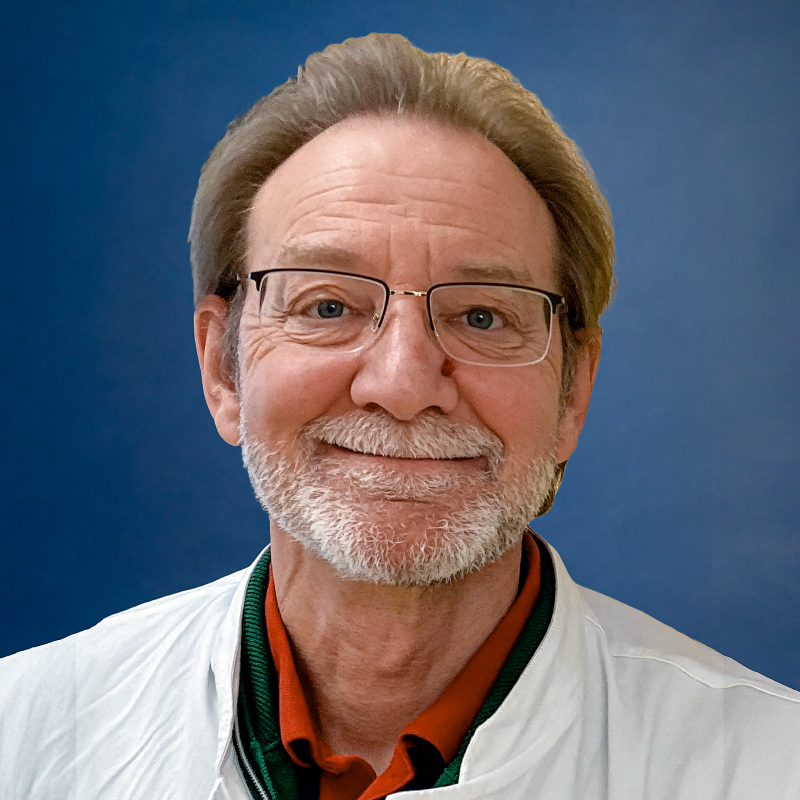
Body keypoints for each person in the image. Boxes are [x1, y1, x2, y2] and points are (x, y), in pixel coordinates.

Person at [1, 33, 798, 800]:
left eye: (483, 316)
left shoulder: (770, 769)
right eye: (327, 304)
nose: (404, 382)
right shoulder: (25, 737)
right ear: (223, 369)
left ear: (573, 391)